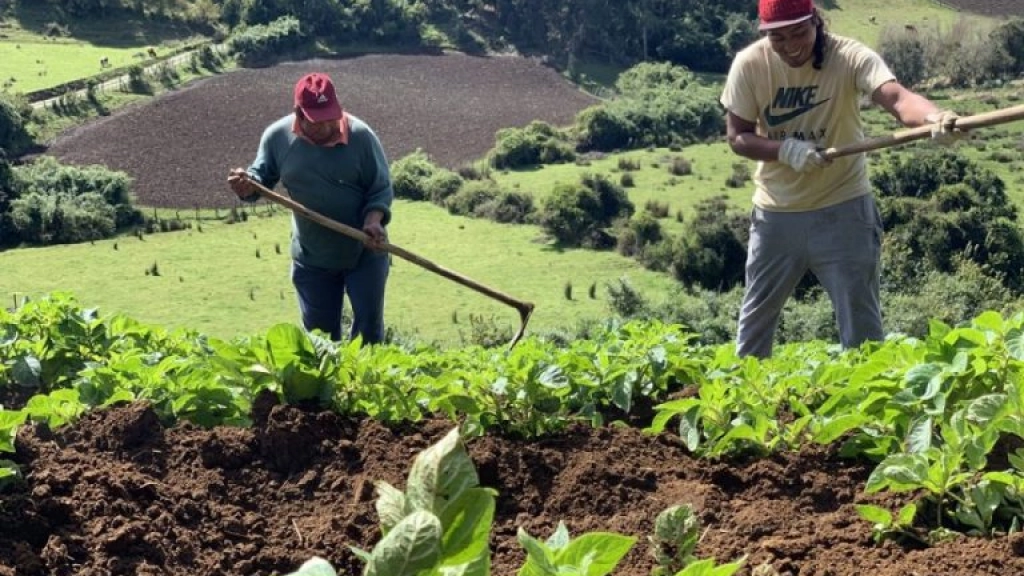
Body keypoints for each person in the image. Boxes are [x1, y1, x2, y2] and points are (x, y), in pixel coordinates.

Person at [720, 0, 963, 358]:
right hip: (777, 214)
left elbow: (897, 98)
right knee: (755, 320)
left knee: (861, 326)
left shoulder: (849, 56)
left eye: (799, 32)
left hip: (844, 210)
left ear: (816, 22)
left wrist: (933, 118)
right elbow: (737, 136)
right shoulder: (750, 64)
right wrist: (783, 150)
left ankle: (866, 406)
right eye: (778, 38)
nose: (790, 46)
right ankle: (741, 405)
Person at [228, 72, 394, 344]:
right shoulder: (277, 138)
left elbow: (380, 188)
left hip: (364, 252)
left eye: (330, 116)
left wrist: (373, 221)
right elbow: (259, 179)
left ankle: (367, 387)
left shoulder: (361, 137)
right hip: (312, 258)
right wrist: (247, 185)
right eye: (318, 121)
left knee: (369, 336)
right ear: (299, 113)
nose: (327, 126)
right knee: (320, 342)